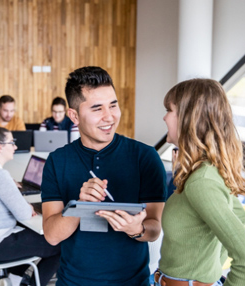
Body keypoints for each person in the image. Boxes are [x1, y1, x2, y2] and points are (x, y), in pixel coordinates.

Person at [41, 66, 167, 286]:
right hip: (72, 282)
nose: (109, 117)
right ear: (74, 116)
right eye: (97, 108)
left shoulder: (145, 157)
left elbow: (154, 228)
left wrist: (137, 229)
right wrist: (79, 205)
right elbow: (52, 235)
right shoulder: (57, 161)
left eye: (113, 105)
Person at [156, 78, 245, 286]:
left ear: (188, 118)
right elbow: (238, 214)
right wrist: (209, 266)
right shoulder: (206, 172)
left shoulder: (202, 182)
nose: (164, 117)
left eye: (169, 110)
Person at [0, 125, 60, 286]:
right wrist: (26, 207)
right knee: (58, 241)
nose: (15, 146)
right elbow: (23, 214)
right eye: (11, 142)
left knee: (28, 233)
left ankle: (13, 281)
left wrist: (21, 204)